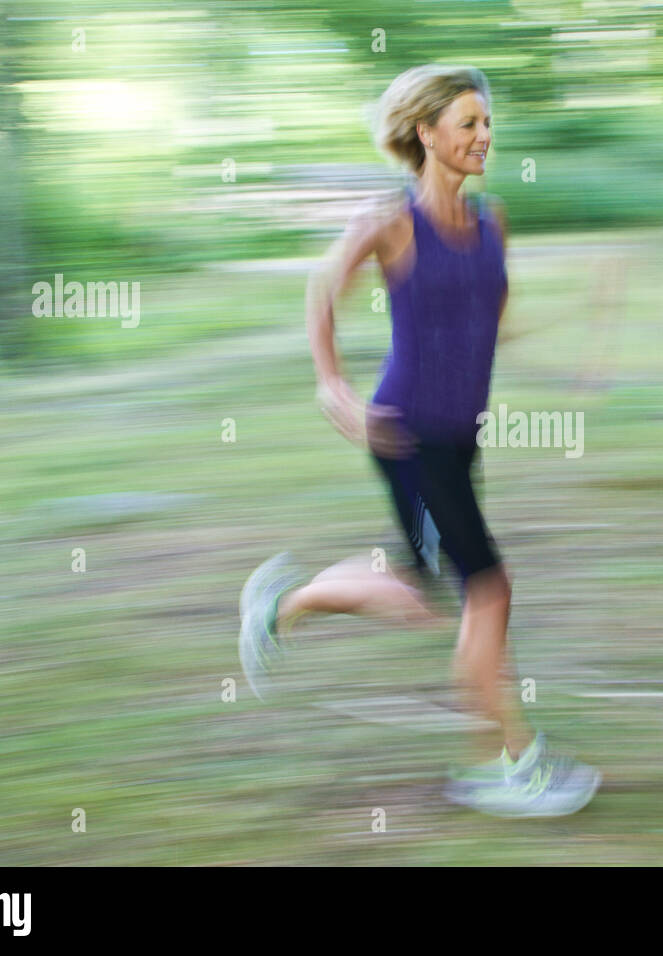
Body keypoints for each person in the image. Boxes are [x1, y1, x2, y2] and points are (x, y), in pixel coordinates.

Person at [239, 64, 600, 818]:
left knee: (414, 589)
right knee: (487, 592)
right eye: (468, 123)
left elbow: (490, 321)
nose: (484, 136)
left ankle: (282, 604)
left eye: (488, 123)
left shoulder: (492, 220)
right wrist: (330, 383)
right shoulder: (390, 221)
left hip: (459, 438)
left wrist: (578, 342)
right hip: (408, 436)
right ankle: (507, 764)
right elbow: (321, 289)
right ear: (426, 133)